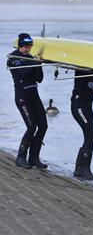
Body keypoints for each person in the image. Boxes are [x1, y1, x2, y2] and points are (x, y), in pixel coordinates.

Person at [7, 33, 48, 169]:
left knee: (43, 126)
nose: (28, 48)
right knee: (31, 126)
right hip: (22, 97)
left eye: (30, 45)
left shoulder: (31, 58)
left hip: (34, 95)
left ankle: (34, 158)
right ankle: (21, 157)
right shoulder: (13, 58)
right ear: (20, 45)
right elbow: (23, 73)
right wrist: (34, 62)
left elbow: (39, 78)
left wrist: (39, 64)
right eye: (25, 46)